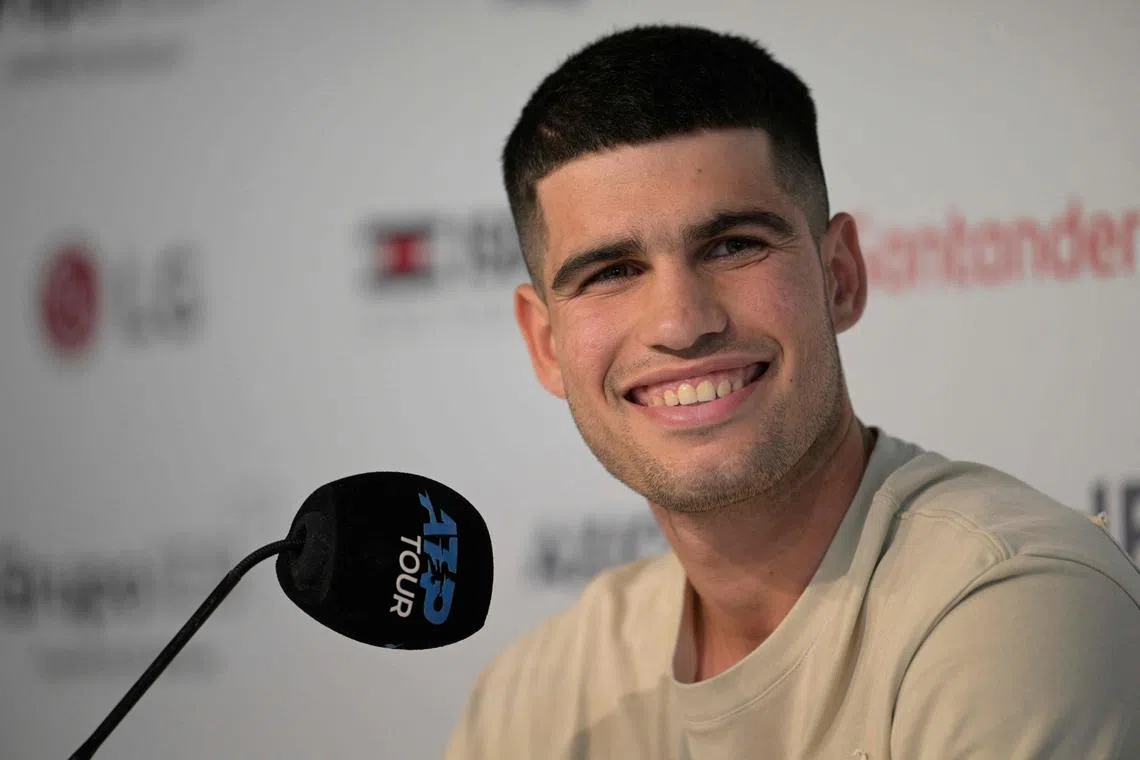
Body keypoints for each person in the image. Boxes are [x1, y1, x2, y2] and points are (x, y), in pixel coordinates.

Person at [444, 24, 1140, 759]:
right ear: (546, 343)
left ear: (839, 277)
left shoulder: (1012, 605)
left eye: (733, 245)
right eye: (611, 272)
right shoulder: (536, 697)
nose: (681, 323)